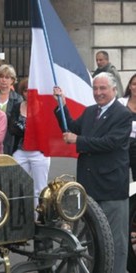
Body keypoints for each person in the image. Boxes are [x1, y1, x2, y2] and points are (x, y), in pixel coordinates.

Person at [53, 72, 132, 273]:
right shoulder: (90, 112)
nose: (98, 93)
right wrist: (61, 104)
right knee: (92, 238)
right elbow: (71, 127)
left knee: (116, 240)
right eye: (95, 89)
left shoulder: (122, 115)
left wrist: (78, 141)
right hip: (89, 185)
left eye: (103, 88)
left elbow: (111, 142)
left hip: (111, 187)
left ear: (114, 90)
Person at [9, 78, 50, 218]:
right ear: (22, 92)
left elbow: (45, 129)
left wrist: (28, 130)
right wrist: (29, 131)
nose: (28, 93)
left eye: (31, 90)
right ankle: (21, 219)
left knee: (40, 189)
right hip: (20, 152)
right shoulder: (17, 107)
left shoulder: (43, 107)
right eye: (26, 90)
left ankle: (40, 218)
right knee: (19, 187)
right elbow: (12, 128)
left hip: (39, 152)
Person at [0, 64, 23, 155]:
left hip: (11, 138)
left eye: (7, 77)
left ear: (12, 80)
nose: (4, 80)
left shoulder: (18, 99)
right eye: (1, 77)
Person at [118, 73, 136, 181]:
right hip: (122, 145)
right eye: (134, 84)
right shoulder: (120, 103)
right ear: (129, 86)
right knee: (120, 178)